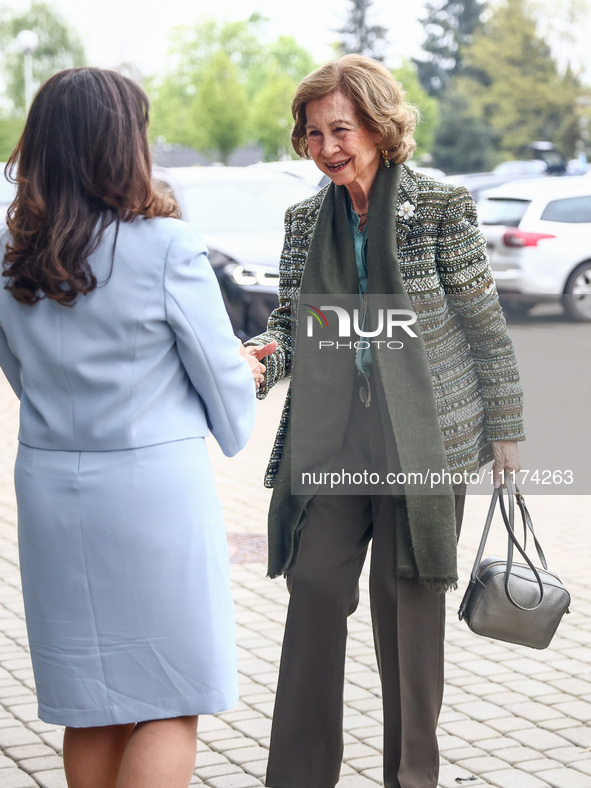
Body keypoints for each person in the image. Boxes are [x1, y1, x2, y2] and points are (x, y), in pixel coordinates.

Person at [244, 54, 524, 788]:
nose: (326, 147)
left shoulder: (438, 207)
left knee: (405, 614)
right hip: (334, 440)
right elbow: (290, 322)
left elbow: (483, 326)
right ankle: (299, 777)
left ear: (377, 126)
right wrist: (258, 360)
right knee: (313, 586)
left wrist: (506, 432)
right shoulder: (305, 219)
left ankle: (411, 778)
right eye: (312, 133)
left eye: (340, 129)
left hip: (422, 442)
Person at [0, 67, 271, 788]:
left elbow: (20, 376)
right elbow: (217, 375)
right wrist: (246, 373)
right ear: (125, 143)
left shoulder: (9, 252)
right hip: (154, 494)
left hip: (51, 486)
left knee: (91, 706)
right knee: (168, 700)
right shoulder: (167, 245)